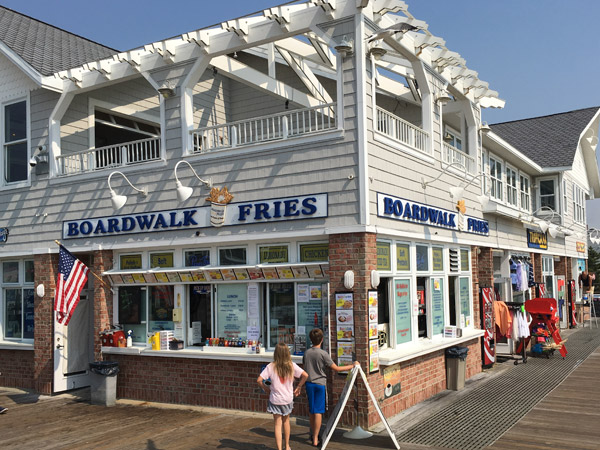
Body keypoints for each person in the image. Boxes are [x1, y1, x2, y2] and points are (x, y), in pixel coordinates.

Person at [302, 328, 359, 447]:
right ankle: (316, 439)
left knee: (312, 411)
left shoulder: (307, 353)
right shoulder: (323, 354)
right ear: (322, 340)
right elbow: (336, 368)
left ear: (310, 340)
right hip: (320, 384)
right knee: (318, 412)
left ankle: (313, 434)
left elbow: (305, 367)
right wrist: (351, 365)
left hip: (309, 384)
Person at [257, 343, 308, 450]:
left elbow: (259, 380)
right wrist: (299, 386)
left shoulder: (271, 366)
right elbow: (305, 375)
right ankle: (287, 446)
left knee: (277, 424)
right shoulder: (292, 365)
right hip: (287, 399)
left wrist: (266, 388)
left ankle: (279, 448)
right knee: (286, 422)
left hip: (275, 399)